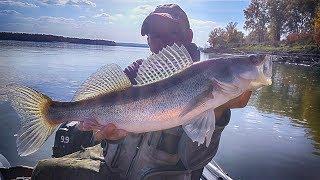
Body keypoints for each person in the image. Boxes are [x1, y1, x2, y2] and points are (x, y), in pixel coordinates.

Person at [32, 4, 252, 180]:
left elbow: (193, 162)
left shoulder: (212, 84)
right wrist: (110, 137)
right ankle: (52, 113)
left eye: (171, 32)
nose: (161, 40)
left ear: (189, 35)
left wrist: (218, 111)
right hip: (114, 170)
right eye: (154, 35)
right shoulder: (134, 74)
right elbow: (108, 136)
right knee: (43, 171)